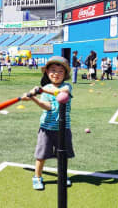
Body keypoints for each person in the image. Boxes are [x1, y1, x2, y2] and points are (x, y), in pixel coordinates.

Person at [21, 56, 74, 190]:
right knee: (41, 155)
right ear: (47, 72)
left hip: (63, 128)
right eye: (53, 70)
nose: (56, 74)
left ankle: (62, 176)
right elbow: (47, 106)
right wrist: (33, 98)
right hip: (46, 128)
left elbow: (62, 93)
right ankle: (37, 177)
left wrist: (41, 90)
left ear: (65, 74)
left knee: (63, 156)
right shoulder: (46, 87)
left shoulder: (67, 86)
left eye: (60, 71)